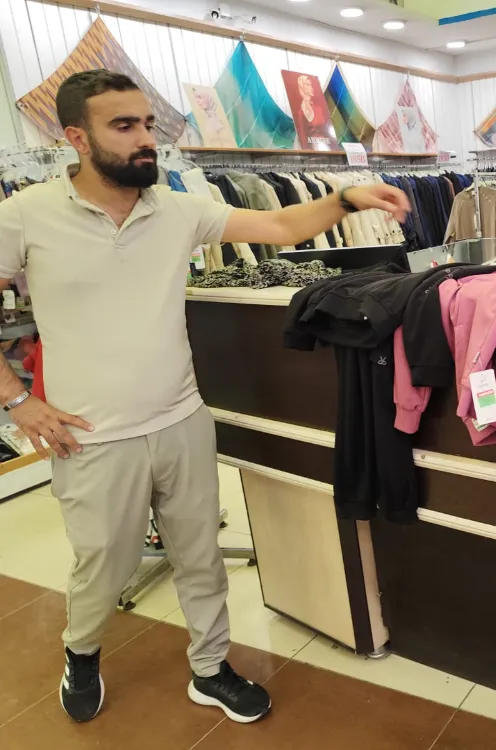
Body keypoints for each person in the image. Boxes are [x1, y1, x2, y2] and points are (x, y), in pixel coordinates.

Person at [0, 70, 409, 725]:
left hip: (182, 419)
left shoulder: (176, 208)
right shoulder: (26, 213)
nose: (144, 138)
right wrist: (17, 400)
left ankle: (211, 668)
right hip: (91, 435)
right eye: (123, 125)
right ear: (76, 137)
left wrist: (347, 198)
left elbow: (279, 224)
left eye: (147, 124)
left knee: (200, 558)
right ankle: (81, 650)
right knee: (102, 566)